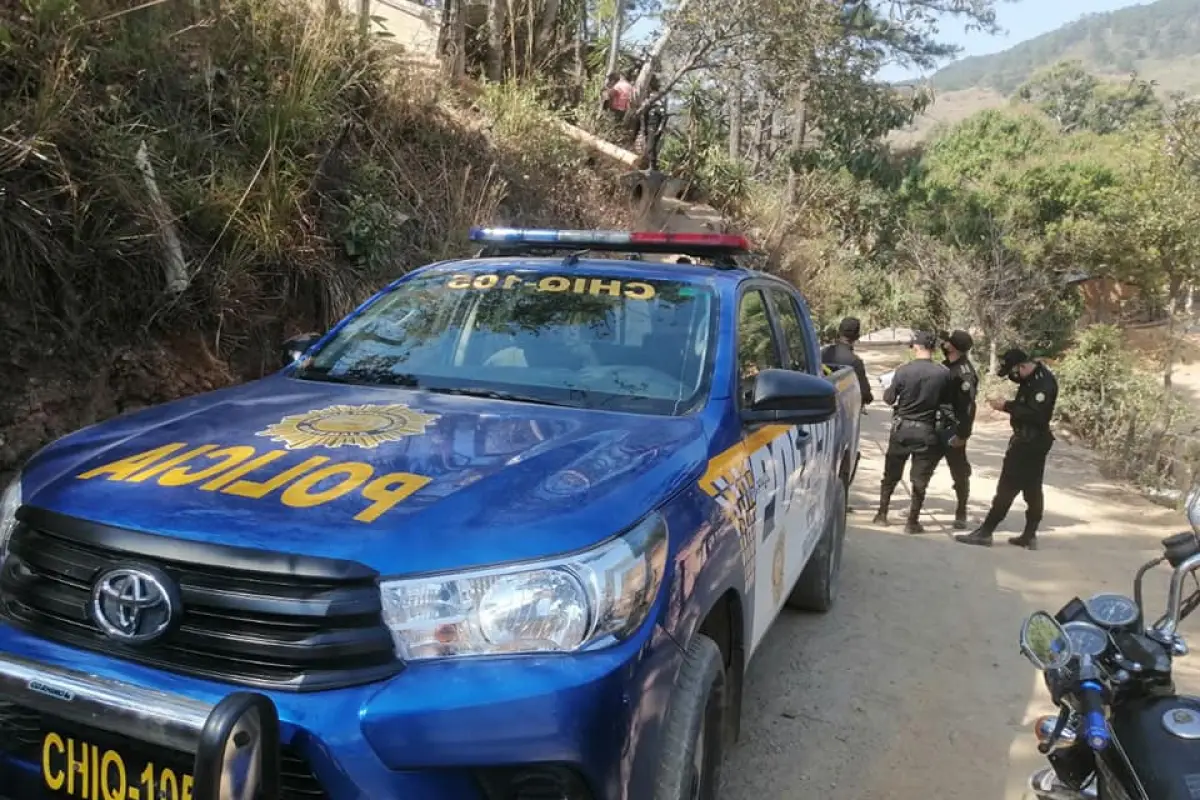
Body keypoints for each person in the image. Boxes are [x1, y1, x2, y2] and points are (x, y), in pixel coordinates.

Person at [956, 348, 1058, 551]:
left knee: (1007, 487)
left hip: (1029, 443)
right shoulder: (1032, 377)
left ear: (1022, 366)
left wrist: (1006, 406)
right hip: (1029, 440)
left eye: (1014, 372)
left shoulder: (1042, 384)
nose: (1013, 377)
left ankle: (986, 532)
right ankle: (1029, 536)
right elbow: (1022, 392)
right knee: (1032, 488)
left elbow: (1037, 415)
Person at [873, 331, 953, 533]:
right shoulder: (943, 373)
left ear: (916, 348)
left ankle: (882, 513)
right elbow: (947, 403)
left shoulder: (903, 371)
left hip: (902, 429)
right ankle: (912, 521)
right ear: (933, 349)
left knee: (891, 473)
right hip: (927, 430)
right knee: (920, 479)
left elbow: (889, 399)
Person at [940, 330, 978, 530]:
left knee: (959, 471)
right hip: (937, 424)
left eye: (947, 341)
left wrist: (963, 435)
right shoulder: (947, 365)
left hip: (953, 429)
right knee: (923, 466)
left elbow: (969, 407)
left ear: (953, 346)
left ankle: (961, 510)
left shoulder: (964, 373)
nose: (944, 343)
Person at [821, 317, 873, 408]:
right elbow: (864, 393)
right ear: (857, 336)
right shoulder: (855, 361)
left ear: (839, 332)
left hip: (822, 409)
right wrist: (869, 398)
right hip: (845, 413)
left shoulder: (823, 353)